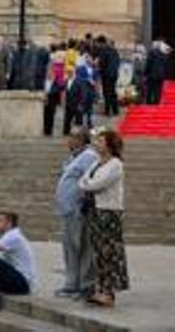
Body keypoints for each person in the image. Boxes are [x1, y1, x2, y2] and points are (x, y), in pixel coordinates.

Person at [78, 130, 129, 307]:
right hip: (95, 211)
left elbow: (97, 184)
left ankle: (109, 292)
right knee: (98, 252)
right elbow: (82, 180)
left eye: (100, 141)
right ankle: (100, 289)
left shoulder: (116, 164)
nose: (96, 143)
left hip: (108, 212)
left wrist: (87, 185)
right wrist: (87, 185)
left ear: (109, 145)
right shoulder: (96, 162)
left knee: (109, 253)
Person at [54, 128, 99, 298]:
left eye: (72, 137)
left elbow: (90, 180)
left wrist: (83, 202)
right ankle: (72, 283)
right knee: (70, 247)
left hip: (78, 208)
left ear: (81, 139)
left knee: (81, 246)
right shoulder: (73, 157)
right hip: (67, 209)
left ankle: (85, 284)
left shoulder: (89, 156)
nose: (69, 140)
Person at [145, 40, 167, 105]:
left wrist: (146, 73)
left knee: (150, 89)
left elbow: (148, 64)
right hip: (160, 75)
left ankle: (149, 103)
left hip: (152, 74)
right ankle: (157, 102)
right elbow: (165, 65)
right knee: (158, 90)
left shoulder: (151, 53)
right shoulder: (163, 54)